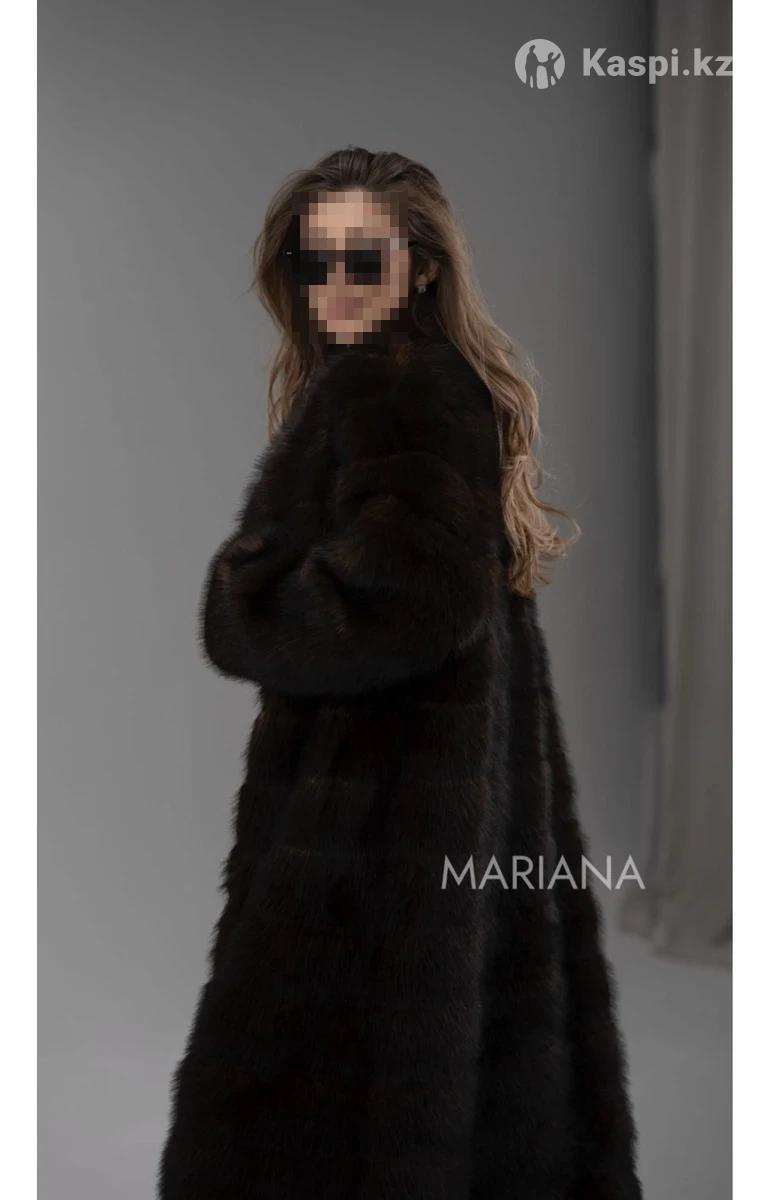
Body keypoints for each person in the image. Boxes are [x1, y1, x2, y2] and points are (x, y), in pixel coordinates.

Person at [158, 146, 642, 1199]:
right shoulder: (422, 380)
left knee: (327, 1109)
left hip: (377, 834)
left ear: (421, 265)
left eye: (361, 261)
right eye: (312, 261)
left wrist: (246, 593)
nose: (332, 287)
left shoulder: (396, 388)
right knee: (455, 1092)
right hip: (444, 807)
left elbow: (403, 600)